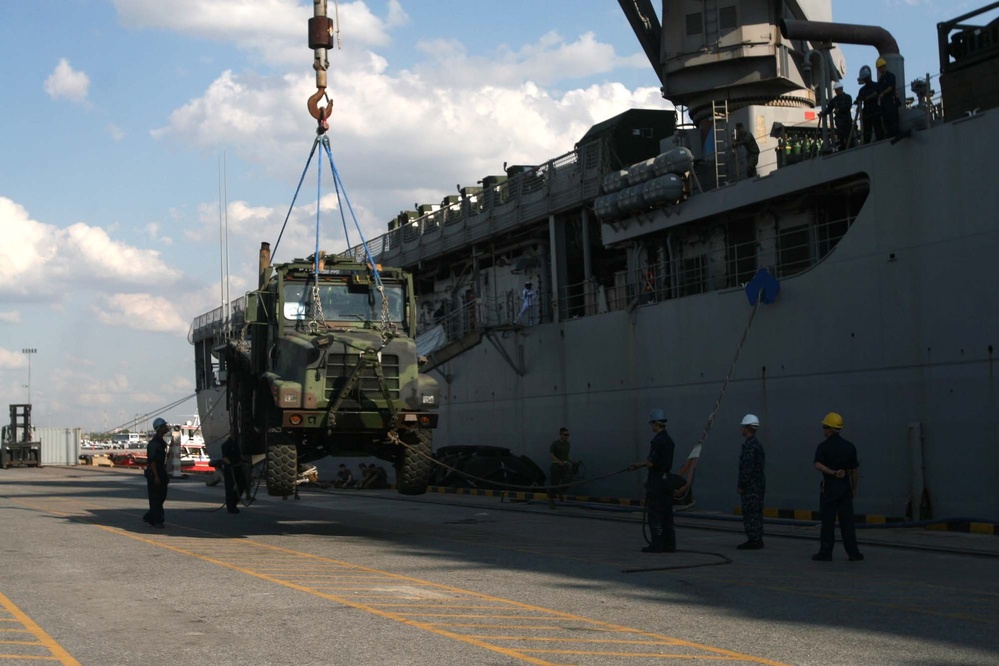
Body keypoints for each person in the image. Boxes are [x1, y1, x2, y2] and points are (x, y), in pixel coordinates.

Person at [812, 412, 864, 562]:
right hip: (845, 487)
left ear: (829, 428)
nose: (823, 429)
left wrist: (832, 472)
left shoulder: (823, 447)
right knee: (847, 522)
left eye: (824, 426)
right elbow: (854, 470)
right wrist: (854, 488)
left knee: (827, 522)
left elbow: (817, 465)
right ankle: (853, 553)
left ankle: (826, 553)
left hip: (829, 486)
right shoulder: (849, 447)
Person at [629, 408, 676, 553]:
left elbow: (651, 462)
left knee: (655, 514)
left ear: (656, 423)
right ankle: (670, 545)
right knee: (667, 514)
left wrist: (637, 464)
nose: (651, 426)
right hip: (666, 480)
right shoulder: (669, 440)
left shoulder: (658, 440)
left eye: (652, 424)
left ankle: (657, 544)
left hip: (656, 481)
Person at [736, 414, 766, 549]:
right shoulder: (757, 445)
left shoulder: (749, 446)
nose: (741, 429)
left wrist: (741, 485)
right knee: (757, 512)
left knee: (750, 513)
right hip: (758, 485)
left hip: (751, 487)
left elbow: (747, 468)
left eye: (743, 426)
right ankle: (757, 538)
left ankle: (753, 540)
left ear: (747, 428)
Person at [142, 417, 170, 528]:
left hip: (160, 471)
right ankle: (157, 520)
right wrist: (156, 477)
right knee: (156, 498)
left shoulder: (161, 442)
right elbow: (152, 461)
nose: (167, 427)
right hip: (155, 472)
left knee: (161, 496)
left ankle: (150, 516)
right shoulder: (154, 444)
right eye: (164, 426)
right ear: (160, 428)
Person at [819, 82, 854, 151]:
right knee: (840, 135)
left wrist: (839, 109)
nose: (836, 92)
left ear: (841, 89)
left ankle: (849, 146)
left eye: (837, 90)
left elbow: (848, 106)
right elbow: (829, 108)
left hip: (846, 120)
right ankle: (843, 146)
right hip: (839, 122)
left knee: (848, 134)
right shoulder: (834, 100)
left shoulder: (847, 97)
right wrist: (823, 114)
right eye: (835, 90)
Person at [547, 427, 575, 509]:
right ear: (560, 435)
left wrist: (573, 462)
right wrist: (559, 462)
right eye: (565, 434)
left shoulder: (567, 444)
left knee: (567, 481)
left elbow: (566, 456)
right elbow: (552, 455)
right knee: (554, 484)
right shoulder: (555, 444)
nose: (567, 436)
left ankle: (560, 491)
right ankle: (551, 501)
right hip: (556, 466)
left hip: (565, 466)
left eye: (568, 435)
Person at [220, 435, 247, 514]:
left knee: (242, 484)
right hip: (230, 468)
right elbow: (225, 457)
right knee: (230, 488)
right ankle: (230, 507)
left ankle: (234, 503)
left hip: (238, 466)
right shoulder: (225, 445)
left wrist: (246, 461)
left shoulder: (238, 444)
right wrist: (230, 465)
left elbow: (240, 455)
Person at [876, 57, 900, 140]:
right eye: (879, 68)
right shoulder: (880, 80)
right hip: (884, 103)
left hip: (890, 100)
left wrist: (883, 93)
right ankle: (889, 134)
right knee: (886, 119)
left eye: (881, 67)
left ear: (884, 67)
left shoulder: (890, 76)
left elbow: (891, 87)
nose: (880, 69)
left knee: (893, 117)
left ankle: (896, 133)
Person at [855, 65, 879, 144]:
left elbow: (876, 94)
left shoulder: (875, 86)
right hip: (867, 110)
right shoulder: (863, 89)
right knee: (867, 129)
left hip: (875, 108)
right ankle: (867, 141)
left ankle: (879, 138)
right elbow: (859, 98)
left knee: (877, 126)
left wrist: (866, 98)